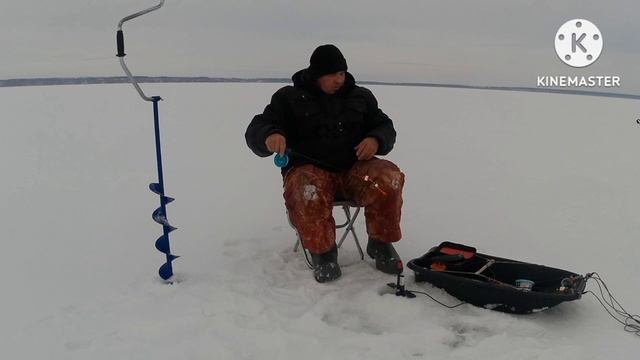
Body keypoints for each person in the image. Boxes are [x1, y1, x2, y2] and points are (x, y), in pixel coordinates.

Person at [245, 44, 405, 283]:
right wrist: (270, 135)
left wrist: (375, 139)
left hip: (354, 171)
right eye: (332, 74)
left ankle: (380, 244)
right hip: (310, 170)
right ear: (317, 74)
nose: (338, 80)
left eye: (341, 73)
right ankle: (323, 253)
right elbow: (258, 126)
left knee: (388, 178)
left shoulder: (361, 97)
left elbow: (385, 126)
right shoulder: (288, 98)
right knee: (307, 187)